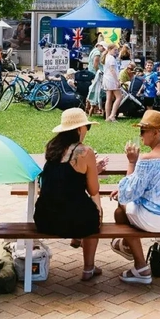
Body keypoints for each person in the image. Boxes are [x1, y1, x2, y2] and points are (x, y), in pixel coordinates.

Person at [109, 110, 160, 285]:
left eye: (143, 130)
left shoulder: (146, 159)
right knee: (121, 210)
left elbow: (129, 193)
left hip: (156, 219)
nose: (140, 135)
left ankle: (140, 265)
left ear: (155, 132)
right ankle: (127, 247)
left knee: (121, 206)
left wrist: (131, 162)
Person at [33, 108, 108, 281]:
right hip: (75, 221)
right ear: (78, 129)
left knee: (73, 202)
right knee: (95, 204)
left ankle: (77, 239)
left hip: (45, 219)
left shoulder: (51, 149)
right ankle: (88, 266)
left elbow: (63, 178)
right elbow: (93, 189)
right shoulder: (85, 152)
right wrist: (93, 171)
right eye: (87, 127)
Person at [102, 44, 122, 122]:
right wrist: (117, 80)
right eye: (115, 50)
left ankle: (107, 117)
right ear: (110, 49)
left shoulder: (106, 57)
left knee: (109, 98)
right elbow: (112, 70)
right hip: (112, 79)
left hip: (106, 79)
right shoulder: (111, 58)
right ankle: (112, 115)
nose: (116, 52)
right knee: (119, 97)